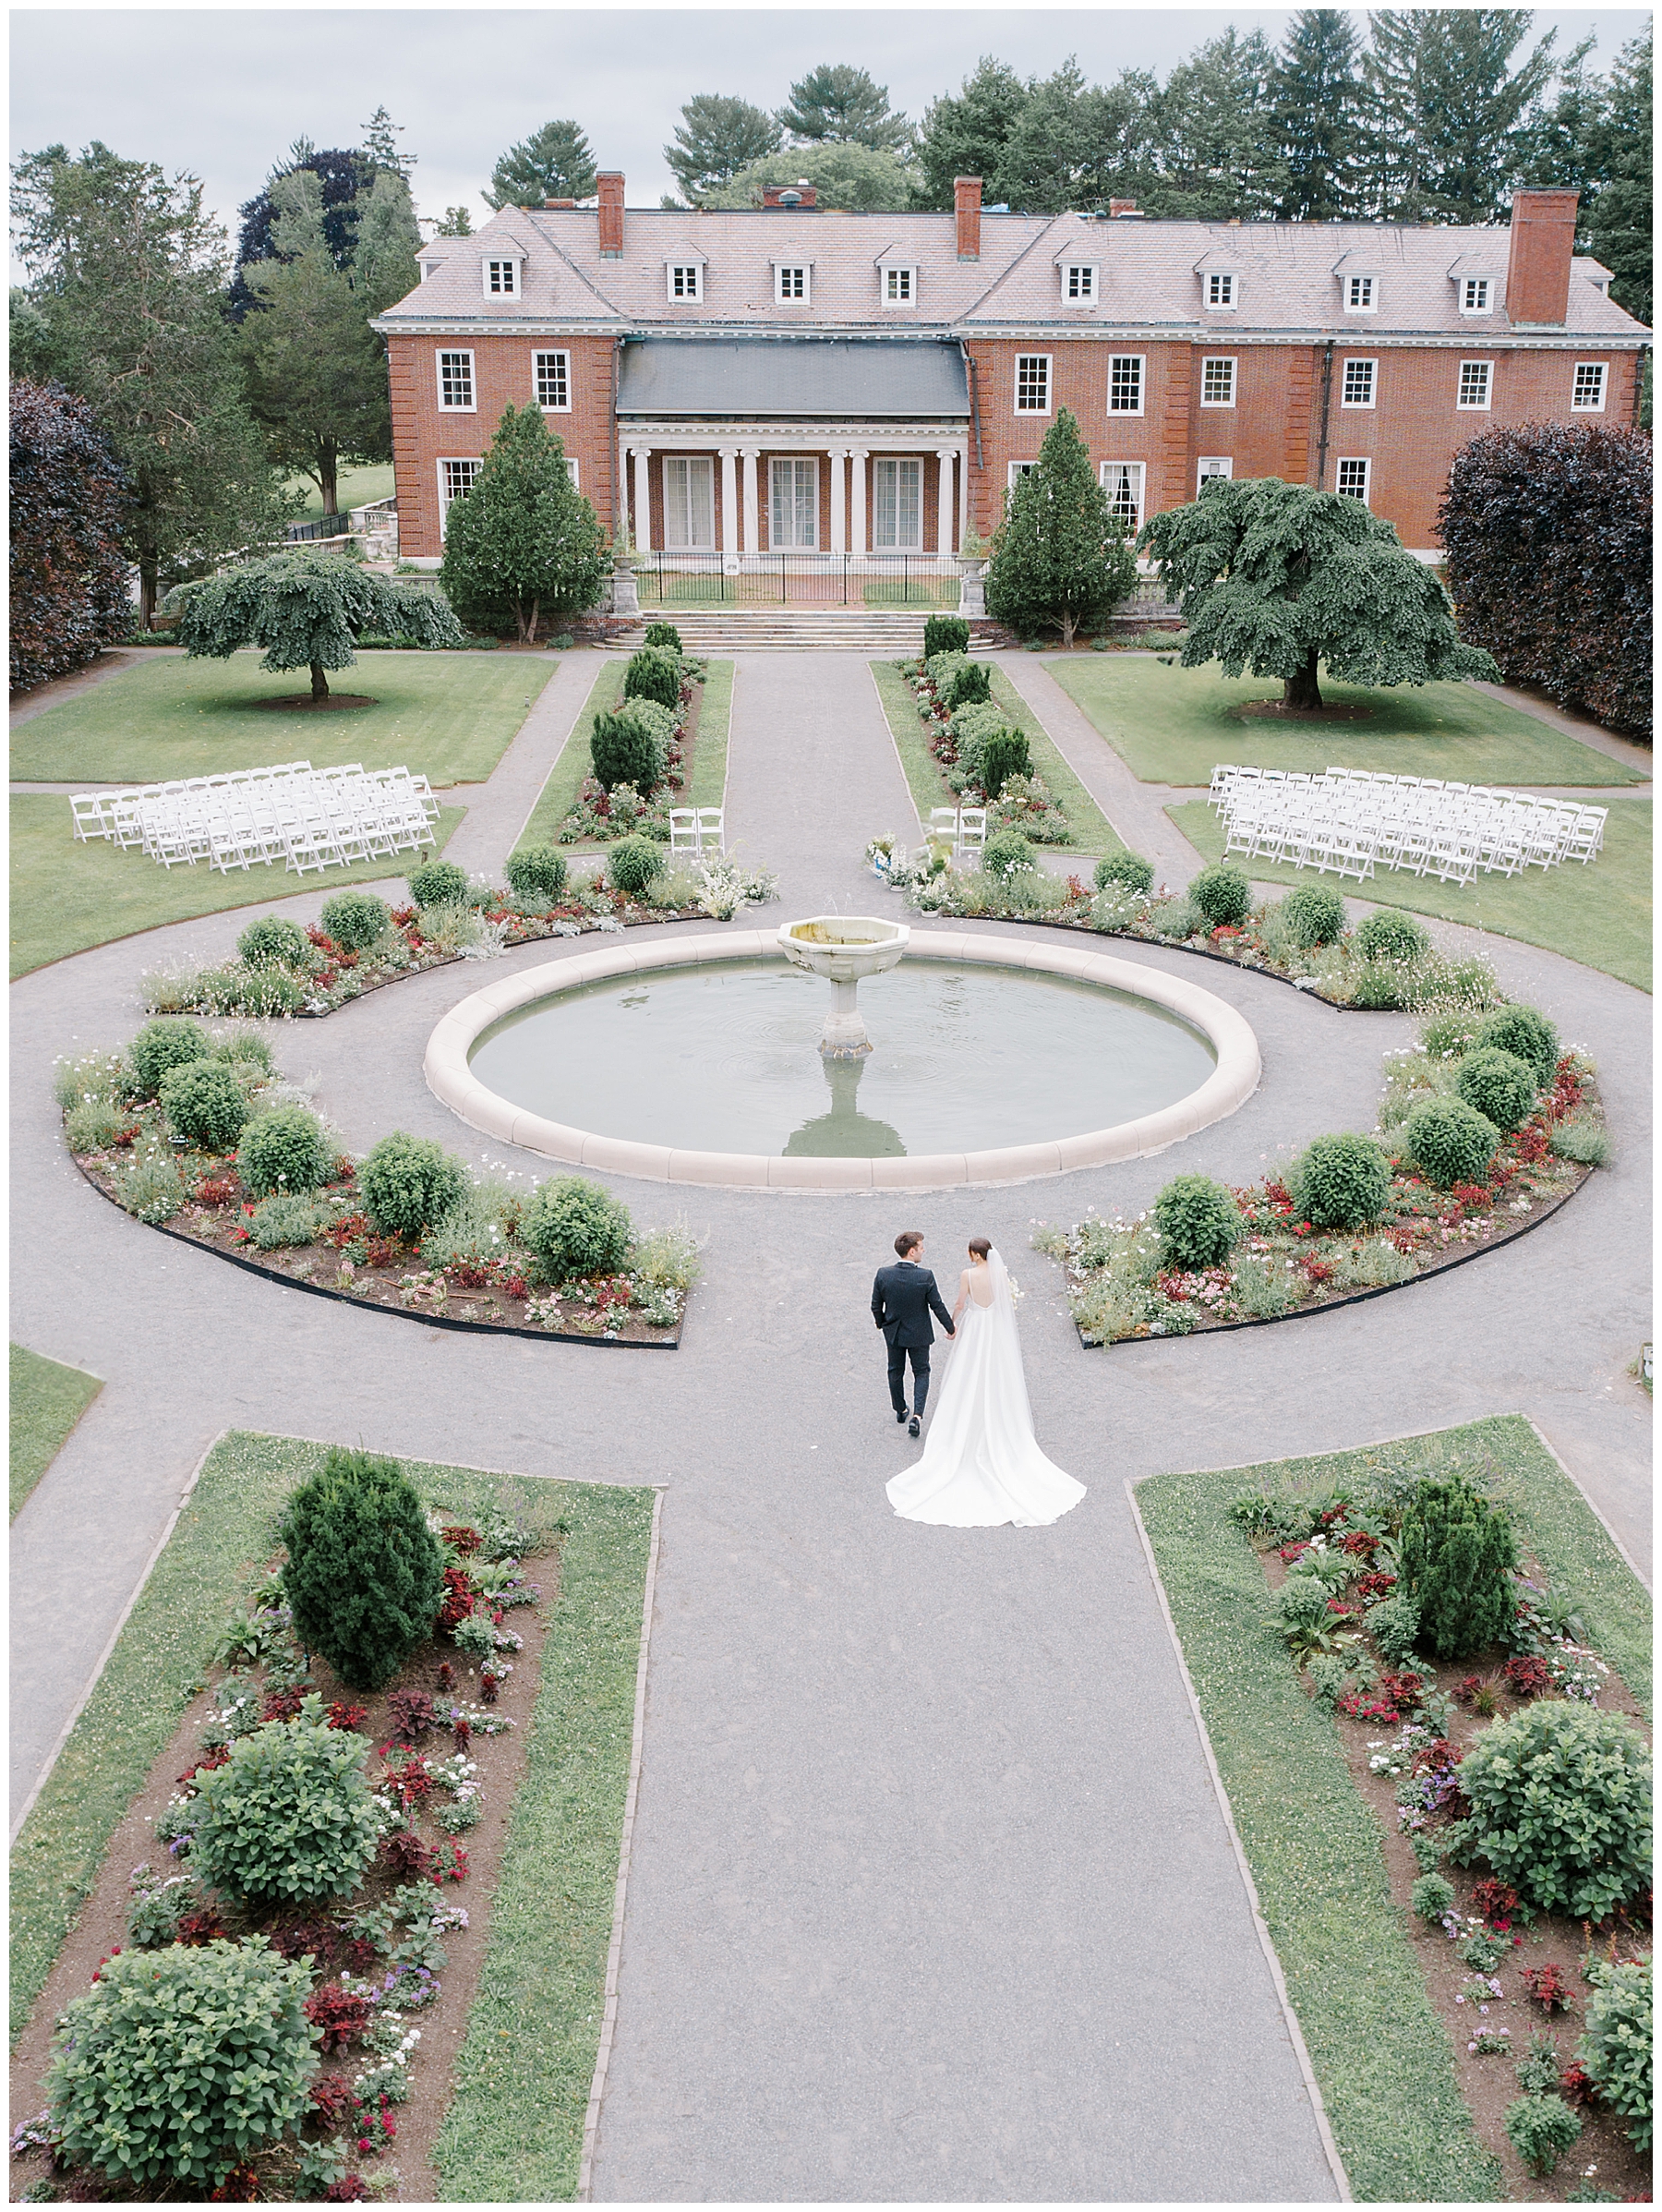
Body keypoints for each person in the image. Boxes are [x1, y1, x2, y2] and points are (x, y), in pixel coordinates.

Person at [886, 1238, 1086, 1529]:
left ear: (974, 1254)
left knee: (967, 1374)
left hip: (976, 1327)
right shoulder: (999, 1274)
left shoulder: (968, 1275)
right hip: (995, 1329)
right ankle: (999, 1413)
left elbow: (959, 1302)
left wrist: (953, 1328)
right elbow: (1005, 1302)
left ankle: (962, 1416)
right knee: (998, 1372)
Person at [871, 1230, 955, 1438]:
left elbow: (875, 1305)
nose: (923, 1250)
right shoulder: (925, 1276)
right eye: (920, 1247)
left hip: (894, 1333)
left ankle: (900, 1410)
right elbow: (937, 1305)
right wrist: (950, 1328)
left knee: (895, 1371)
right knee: (921, 1372)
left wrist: (883, 1324)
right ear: (911, 1251)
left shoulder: (883, 1274)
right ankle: (917, 1416)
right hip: (919, 1334)